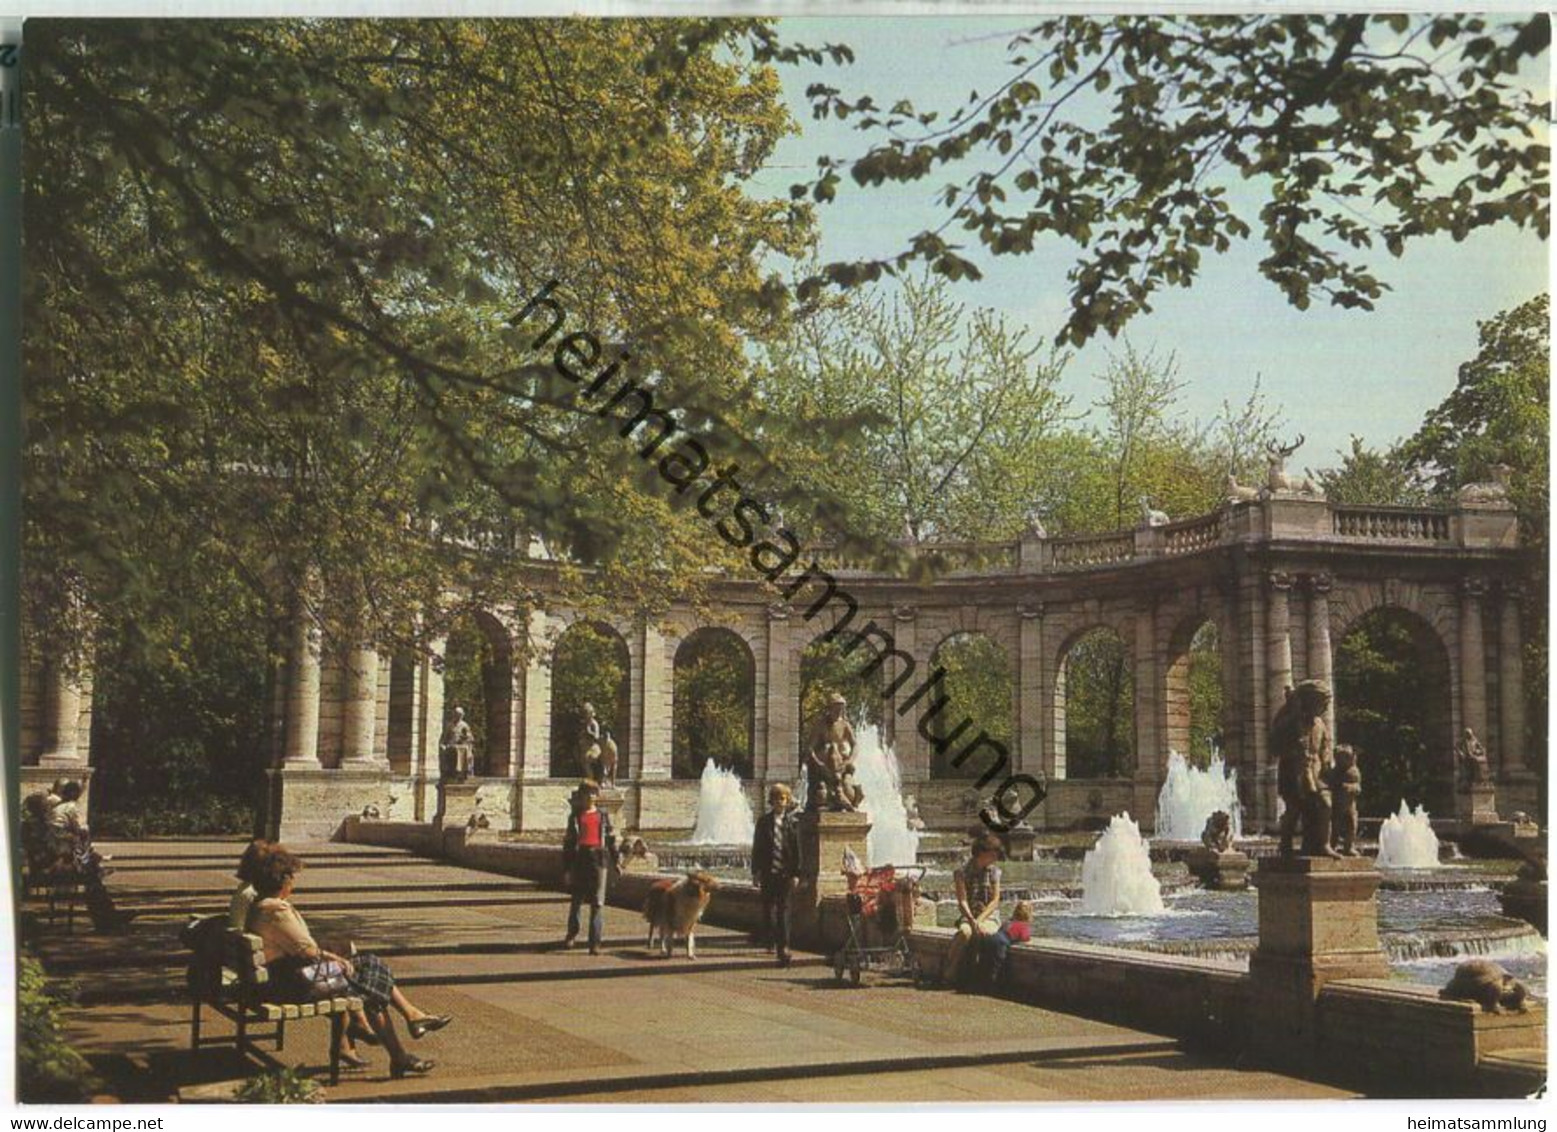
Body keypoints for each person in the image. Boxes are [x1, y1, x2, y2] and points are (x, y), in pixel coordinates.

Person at [247, 845, 450, 1078]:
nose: (294, 882)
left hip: (281, 977)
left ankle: (407, 1036)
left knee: (368, 979)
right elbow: (308, 949)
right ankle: (409, 1027)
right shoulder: (276, 910)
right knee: (370, 974)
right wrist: (335, 958)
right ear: (283, 881)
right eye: (292, 877)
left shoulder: (261, 906)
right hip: (291, 985)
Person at [562, 782, 617, 954]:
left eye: (594, 793)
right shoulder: (576, 817)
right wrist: (567, 868)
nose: (591, 796)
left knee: (598, 903)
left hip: (599, 859)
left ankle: (595, 942)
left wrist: (617, 861)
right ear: (582, 795)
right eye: (587, 793)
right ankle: (572, 934)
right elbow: (569, 843)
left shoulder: (603, 816)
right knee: (576, 901)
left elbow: (610, 841)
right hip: (580, 858)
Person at [751, 783, 801, 967]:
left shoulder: (792, 823)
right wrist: (755, 872)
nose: (780, 802)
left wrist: (797, 873)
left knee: (783, 911)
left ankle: (784, 947)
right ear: (771, 801)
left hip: (785, 873)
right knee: (768, 909)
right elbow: (757, 848)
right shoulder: (763, 822)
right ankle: (770, 939)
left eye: (783, 798)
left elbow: (797, 850)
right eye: (777, 798)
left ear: (787, 801)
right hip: (768, 872)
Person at [943, 832, 1003, 984]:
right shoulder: (961, 873)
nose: (995, 857)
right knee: (965, 933)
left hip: (989, 916)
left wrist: (979, 920)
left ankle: (979, 976)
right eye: (992, 854)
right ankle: (951, 969)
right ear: (981, 853)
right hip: (968, 915)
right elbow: (962, 900)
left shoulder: (994, 872)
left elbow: (995, 900)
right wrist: (971, 919)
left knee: (985, 934)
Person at [975, 900, 1033, 989]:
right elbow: (1025, 937)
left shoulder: (1008, 922)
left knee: (985, 961)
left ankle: (978, 980)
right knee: (996, 965)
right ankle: (990, 986)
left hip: (991, 938)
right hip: (1001, 943)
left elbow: (1000, 930)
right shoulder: (1023, 926)